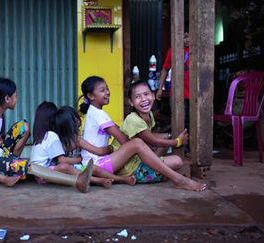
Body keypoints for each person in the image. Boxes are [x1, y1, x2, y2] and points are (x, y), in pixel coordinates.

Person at [79, 76, 207, 191]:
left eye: (107, 88)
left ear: (152, 94)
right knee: (138, 143)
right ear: (91, 96)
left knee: (170, 154)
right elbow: (124, 141)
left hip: (102, 161)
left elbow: (121, 132)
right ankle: (179, 180)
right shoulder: (99, 114)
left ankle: (158, 169)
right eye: (102, 90)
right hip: (97, 165)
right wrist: (174, 142)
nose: (107, 92)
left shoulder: (96, 112)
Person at [0, 78, 93, 192]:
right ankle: (77, 181)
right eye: (15, 96)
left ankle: (11, 161)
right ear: (7, 99)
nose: (16, 99)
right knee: (30, 167)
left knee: (23, 126)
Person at [112, 79, 189, 181]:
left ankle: (156, 168)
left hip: (138, 158)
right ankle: (147, 173)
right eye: (137, 97)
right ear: (131, 102)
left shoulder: (149, 115)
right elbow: (154, 141)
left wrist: (169, 138)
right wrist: (178, 142)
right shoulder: (133, 119)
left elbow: (150, 137)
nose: (143, 99)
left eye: (146, 94)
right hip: (129, 166)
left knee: (166, 137)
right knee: (177, 161)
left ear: (153, 95)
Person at [30, 102, 113, 189]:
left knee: (70, 168)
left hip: (39, 174)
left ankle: (97, 179)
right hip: (43, 174)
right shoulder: (51, 135)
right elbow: (61, 160)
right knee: (64, 167)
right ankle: (95, 180)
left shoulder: (41, 137)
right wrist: (80, 159)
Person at [156, 32, 190, 130]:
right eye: (185, 37)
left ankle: (192, 145)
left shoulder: (197, 51)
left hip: (194, 93)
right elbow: (165, 69)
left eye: (189, 37)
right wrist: (160, 89)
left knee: (193, 121)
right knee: (178, 120)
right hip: (177, 93)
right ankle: (179, 144)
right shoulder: (173, 51)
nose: (187, 39)